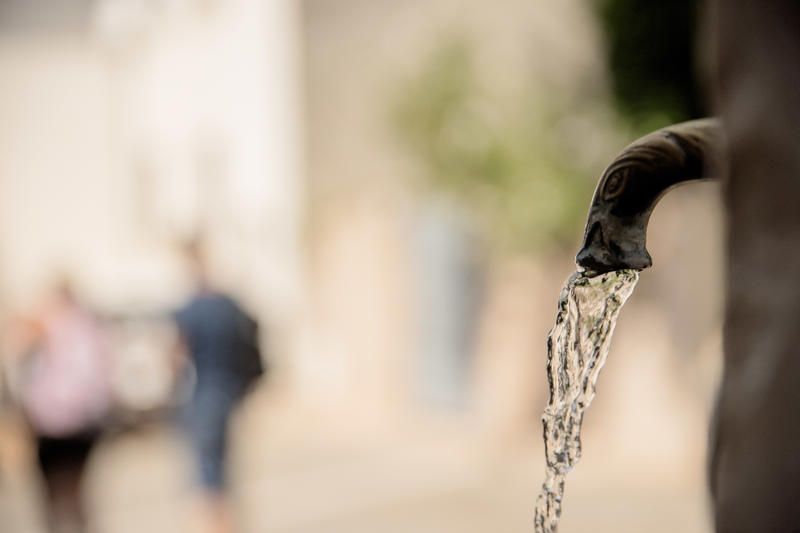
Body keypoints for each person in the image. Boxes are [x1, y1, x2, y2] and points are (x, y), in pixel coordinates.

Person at [172, 241, 264, 533]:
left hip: (202, 400)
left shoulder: (191, 309)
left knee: (206, 479)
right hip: (229, 396)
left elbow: (175, 358)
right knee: (223, 475)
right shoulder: (230, 305)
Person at [7, 279, 112, 533]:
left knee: (53, 495)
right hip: (83, 423)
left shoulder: (48, 325)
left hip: (53, 424)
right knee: (75, 493)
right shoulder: (90, 326)